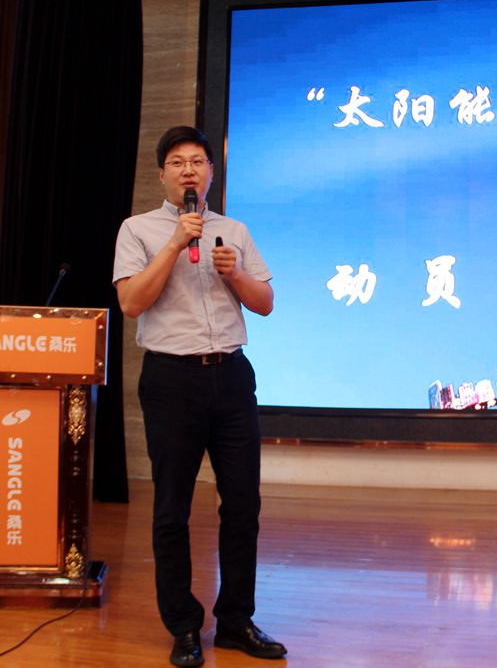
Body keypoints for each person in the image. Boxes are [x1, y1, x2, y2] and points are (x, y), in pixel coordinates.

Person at [113, 126, 286, 667]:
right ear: (162, 174)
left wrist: (236, 275)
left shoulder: (234, 230)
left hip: (231, 377)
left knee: (243, 505)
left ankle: (235, 621)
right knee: (172, 509)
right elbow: (132, 303)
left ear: (211, 172)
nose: (189, 170)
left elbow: (265, 303)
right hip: (172, 381)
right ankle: (184, 627)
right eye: (178, 162)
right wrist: (174, 243)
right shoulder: (137, 230)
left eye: (198, 161)